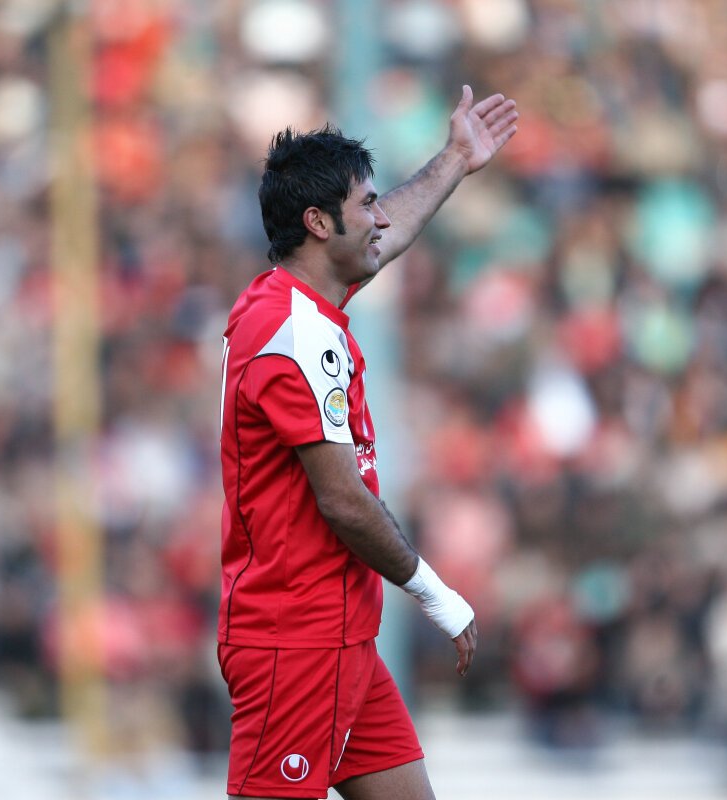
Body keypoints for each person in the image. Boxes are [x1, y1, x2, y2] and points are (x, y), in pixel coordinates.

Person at [217, 85, 518, 800]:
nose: (381, 218)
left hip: (342, 636)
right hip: (296, 641)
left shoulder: (294, 302)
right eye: (367, 205)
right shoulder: (294, 335)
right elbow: (343, 502)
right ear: (319, 223)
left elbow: (391, 233)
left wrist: (455, 159)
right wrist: (437, 595)